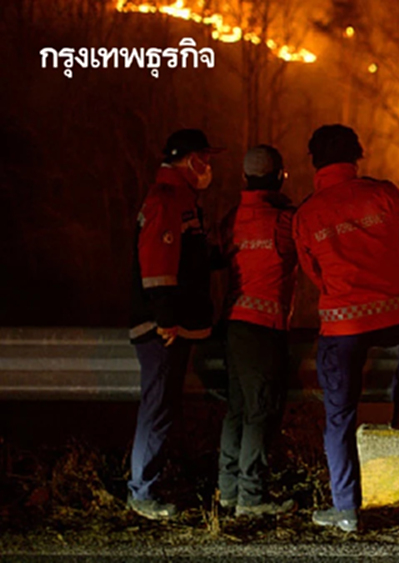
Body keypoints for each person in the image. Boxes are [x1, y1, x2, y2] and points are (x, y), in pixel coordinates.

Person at [293, 124, 399, 532]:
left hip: (342, 327)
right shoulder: (384, 194)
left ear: (315, 162)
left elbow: (312, 272)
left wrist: (342, 299)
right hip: (394, 314)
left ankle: (346, 510)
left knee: (339, 417)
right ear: (356, 156)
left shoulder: (306, 214)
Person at [127, 128, 223, 520]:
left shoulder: (180, 199)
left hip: (172, 326)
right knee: (157, 409)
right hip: (162, 329)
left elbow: (188, 258)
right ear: (191, 159)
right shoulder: (167, 199)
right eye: (205, 157)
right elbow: (158, 264)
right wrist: (165, 320)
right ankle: (142, 493)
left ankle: (147, 488)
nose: (209, 166)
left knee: (163, 408)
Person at [216, 145, 298, 517]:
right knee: (261, 411)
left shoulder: (231, 219)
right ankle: (252, 497)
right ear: (280, 176)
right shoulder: (284, 222)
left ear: (245, 178)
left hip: (233, 325)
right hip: (265, 329)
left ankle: (229, 490)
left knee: (237, 408)